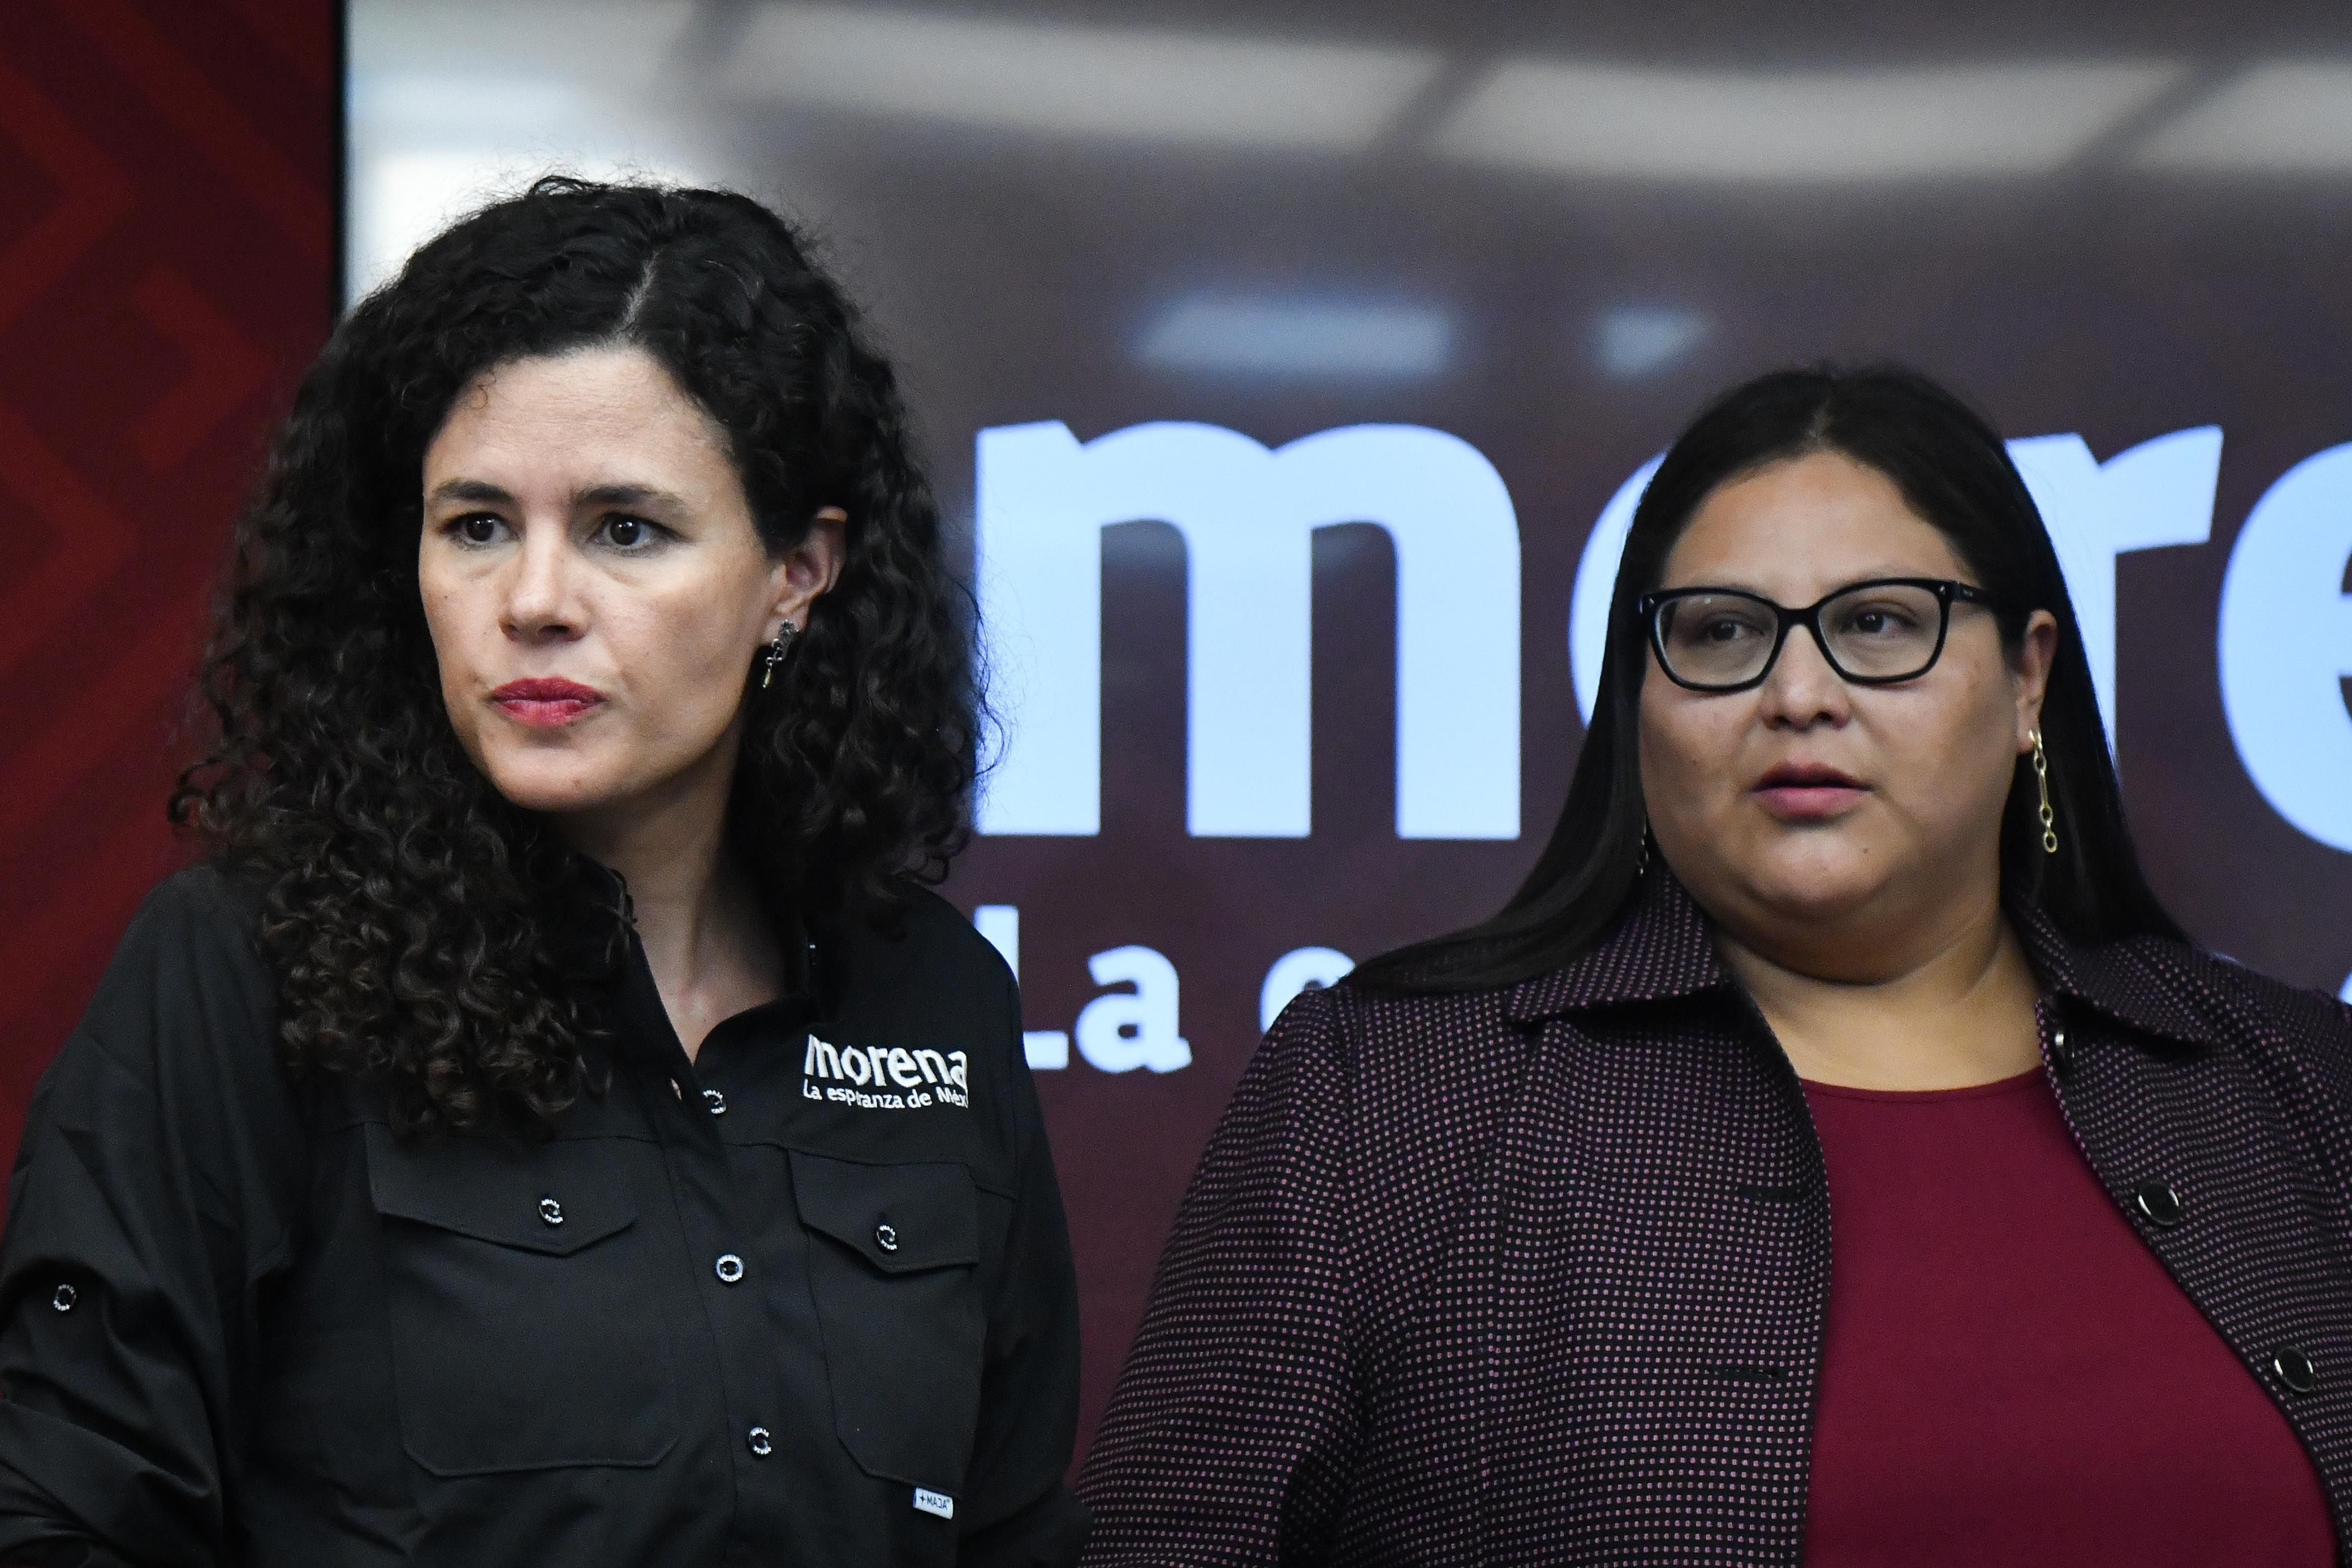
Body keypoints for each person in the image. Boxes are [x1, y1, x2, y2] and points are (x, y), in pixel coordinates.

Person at [1077, 366, 2352, 1564]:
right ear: (1642, 699)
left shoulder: (2302, 1087)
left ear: (2028, 680)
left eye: (1878, 623)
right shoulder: (1393, 1096)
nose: (1798, 693)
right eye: (1725, 632)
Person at [0, 178, 1085, 1568]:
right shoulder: (247, 969)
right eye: (477, 525)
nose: (533, 601)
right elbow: (65, 1517)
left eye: (626, 528)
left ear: (796, 575)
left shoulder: (936, 994)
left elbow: (1012, 1531)